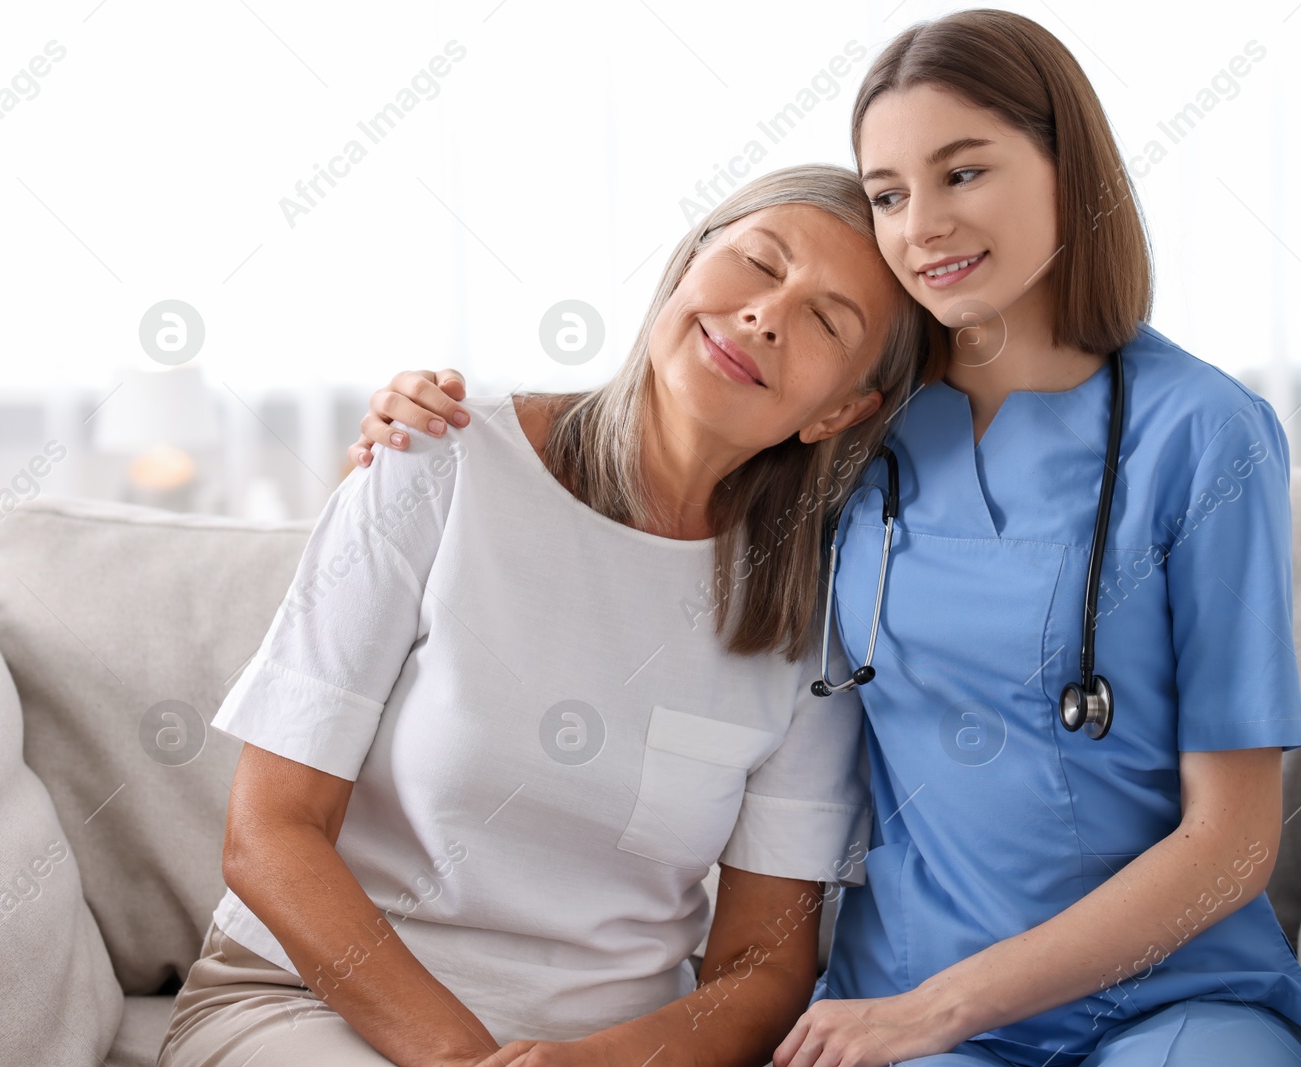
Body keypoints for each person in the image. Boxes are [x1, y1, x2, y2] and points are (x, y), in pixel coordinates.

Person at [352, 10, 1301, 1065]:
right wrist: (421, 434)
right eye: (887, 193)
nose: (922, 225)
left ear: (1067, 167)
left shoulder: (1203, 433)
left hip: (1166, 999)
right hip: (894, 1002)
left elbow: (1232, 842)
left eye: (964, 173)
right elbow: (649, 464)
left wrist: (946, 1005)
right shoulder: (854, 417)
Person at [156, 163, 934, 1067]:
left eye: (826, 320)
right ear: (686, 265)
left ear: (842, 409)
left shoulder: (813, 620)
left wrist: (596, 1062)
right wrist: (464, 1059)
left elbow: (763, 966)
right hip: (306, 1009)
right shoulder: (437, 462)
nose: (767, 314)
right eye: (758, 263)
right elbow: (269, 835)